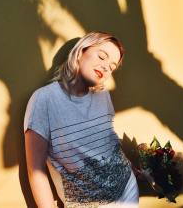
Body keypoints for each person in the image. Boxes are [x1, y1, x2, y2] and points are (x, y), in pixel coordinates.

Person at [24, 31, 139, 208]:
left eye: (112, 66)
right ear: (80, 52)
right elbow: (35, 171)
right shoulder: (44, 99)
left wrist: (133, 168)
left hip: (129, 192)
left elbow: (106, 143)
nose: (106, 66)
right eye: (102, 56)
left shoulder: (103, 96)